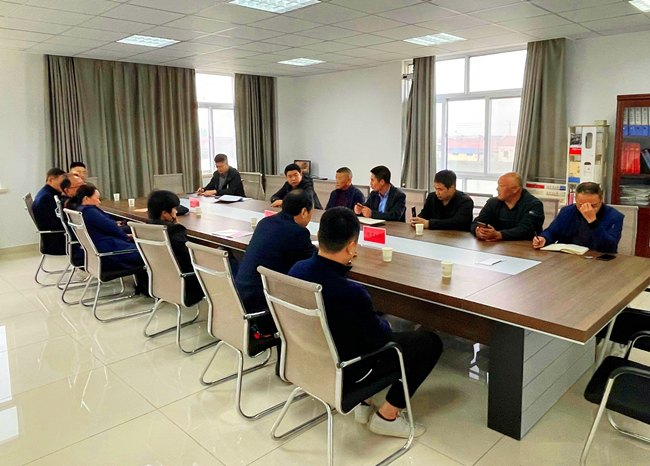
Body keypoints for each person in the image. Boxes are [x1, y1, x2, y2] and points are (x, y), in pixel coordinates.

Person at [289, 207, 442, 438]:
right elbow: (381, 339)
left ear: (319, 237)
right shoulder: (352, 293)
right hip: (346, 371)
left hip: (305, 362)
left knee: (363, 323)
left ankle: (364, 402)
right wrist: (385, 327)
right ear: (352, 246)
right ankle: (387, 417)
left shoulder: (296, 270)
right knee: (429, 342)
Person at [236, 190, 316, 333]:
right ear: (304, 212)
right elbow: (315, 261)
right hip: (264, 310)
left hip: (241, 300)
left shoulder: (265, 223)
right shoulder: (297, 232)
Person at [69, 184, 146, 284]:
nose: (99, 202)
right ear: (86, 198)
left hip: (97, 254)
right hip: (109, 254)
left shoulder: (79, 210)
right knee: (148, 253)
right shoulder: (90, 211)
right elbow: (113, 228)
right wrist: (127, 236)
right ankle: (146, 286)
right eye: (97, 198)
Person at [147, 190, 203, 305]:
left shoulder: (149, 228)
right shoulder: (174, 232)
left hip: (160, 283)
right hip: (187, 285)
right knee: (229, 257)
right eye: (174, 209)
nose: (176, 211)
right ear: (164, 213)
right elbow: (190, 258)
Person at [533, 182, 623, 253]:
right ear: (576, 199)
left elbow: (610, 247)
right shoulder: (567, 211)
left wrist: (593, 221)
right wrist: (543, 238)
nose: (587, 209)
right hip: (568, 257)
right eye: (581, 205)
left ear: (601, 200)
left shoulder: (614, 216)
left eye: (593, 205)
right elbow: (552, 231)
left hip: (597, 259)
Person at [471, 172, 544, 241]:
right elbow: (476, 222)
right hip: (494, 246)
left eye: (501, 186)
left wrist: (499, 235)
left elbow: (527, 230)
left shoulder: (534, 205)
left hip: (523, 247)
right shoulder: (492, 203)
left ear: (515, 189)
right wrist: (478, 231)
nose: (497, 189)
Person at [32, 168, 67, 255]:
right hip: (56, 242)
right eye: (62, 181)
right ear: (50, 179)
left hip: (52, 239)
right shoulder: (47, 197)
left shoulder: (46, 192)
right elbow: (55, 223)